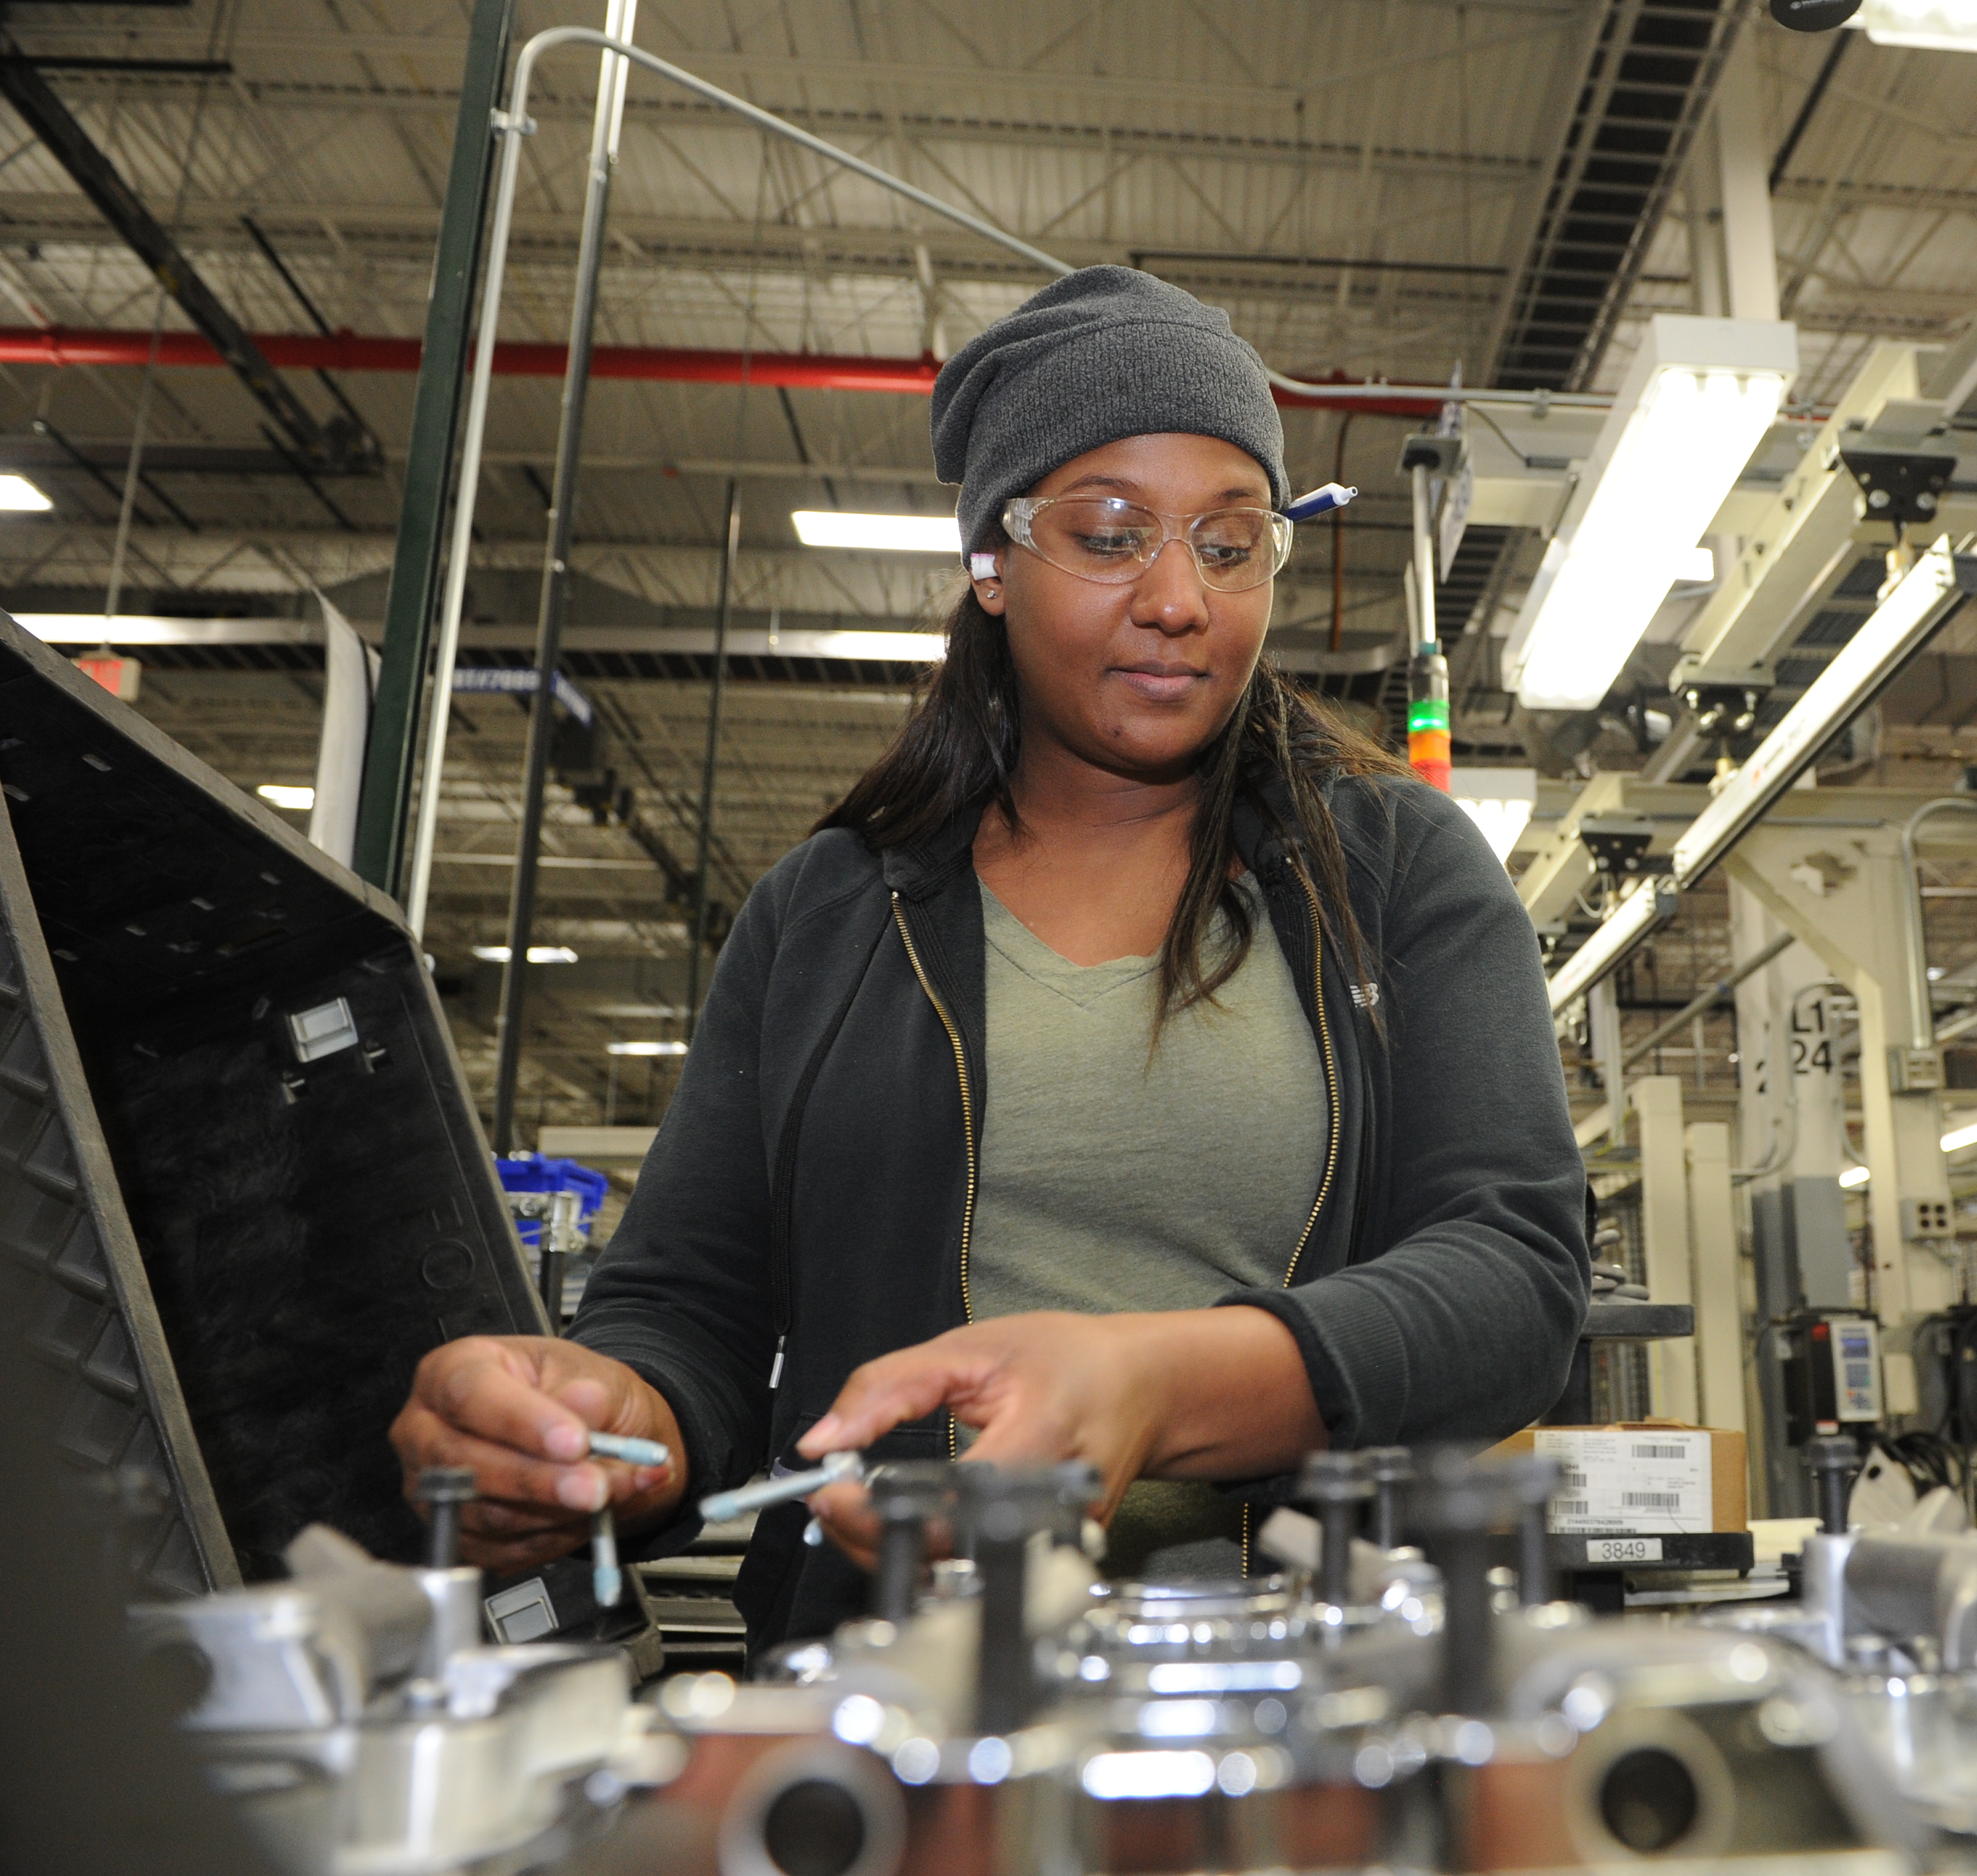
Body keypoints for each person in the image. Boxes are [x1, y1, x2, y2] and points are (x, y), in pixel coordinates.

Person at [388, 268, 1589, 1649]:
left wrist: (1157, 1383)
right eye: (1111, 533)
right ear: (990, 562)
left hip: (1307, 1677)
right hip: (883, 1678)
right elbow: (690, 1310)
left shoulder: (1393, 872)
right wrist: (601, 1429)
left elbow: (1513, 1279)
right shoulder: (827, 914)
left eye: (1230, 540)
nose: (1178, 599)